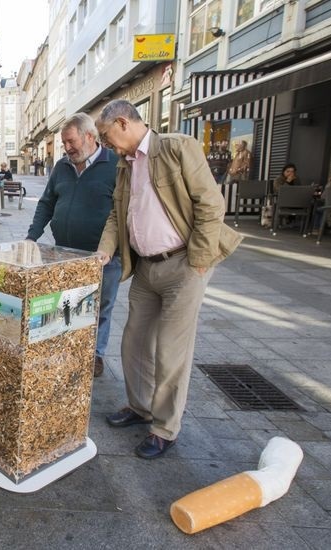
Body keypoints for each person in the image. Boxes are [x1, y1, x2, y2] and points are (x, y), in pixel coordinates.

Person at [93, 99, 242, 459]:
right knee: (134, 343)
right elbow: (117, 215)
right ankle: (141, 408)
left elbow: (210, 203)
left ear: (124, 123)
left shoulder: (177, 147)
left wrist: (201, 261)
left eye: (106, 135)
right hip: (146, 267)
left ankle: (165, 428)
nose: (105, 143)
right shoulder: (125, 165)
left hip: (183, 265)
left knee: (171, 352)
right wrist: (103, 251)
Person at [26, 112, 121, 378]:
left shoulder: (115, 165)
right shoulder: (62, 167)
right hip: (64, 252)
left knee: (100, 306)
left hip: (103, 256)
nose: (67, 148)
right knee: (68, 305)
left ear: (90, 136)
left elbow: (124, 211)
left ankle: (96, 356)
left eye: (71, 141)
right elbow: (46, 203)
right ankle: (67, 350)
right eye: (64, 143)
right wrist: (31, 237)